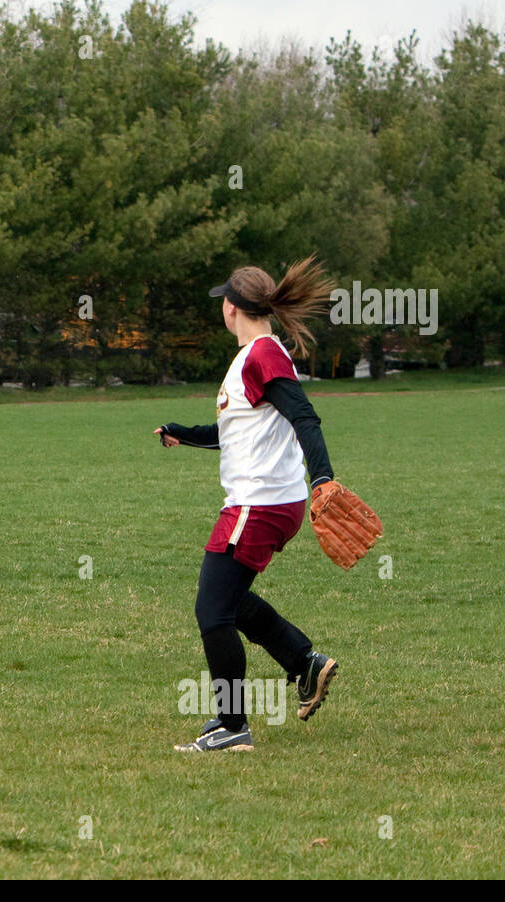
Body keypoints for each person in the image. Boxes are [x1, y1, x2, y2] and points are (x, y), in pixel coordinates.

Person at [155, 256, 340, 752]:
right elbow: (234, 432)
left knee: (212, 610)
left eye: (224, 300)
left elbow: (305, 417)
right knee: (230, 603)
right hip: (264, 502)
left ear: (231, 309)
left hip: (258, 505)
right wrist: (183, 434)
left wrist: (323, 476)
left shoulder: (262, 354)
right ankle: (305, 662)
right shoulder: (254, 357)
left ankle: (231, 725)